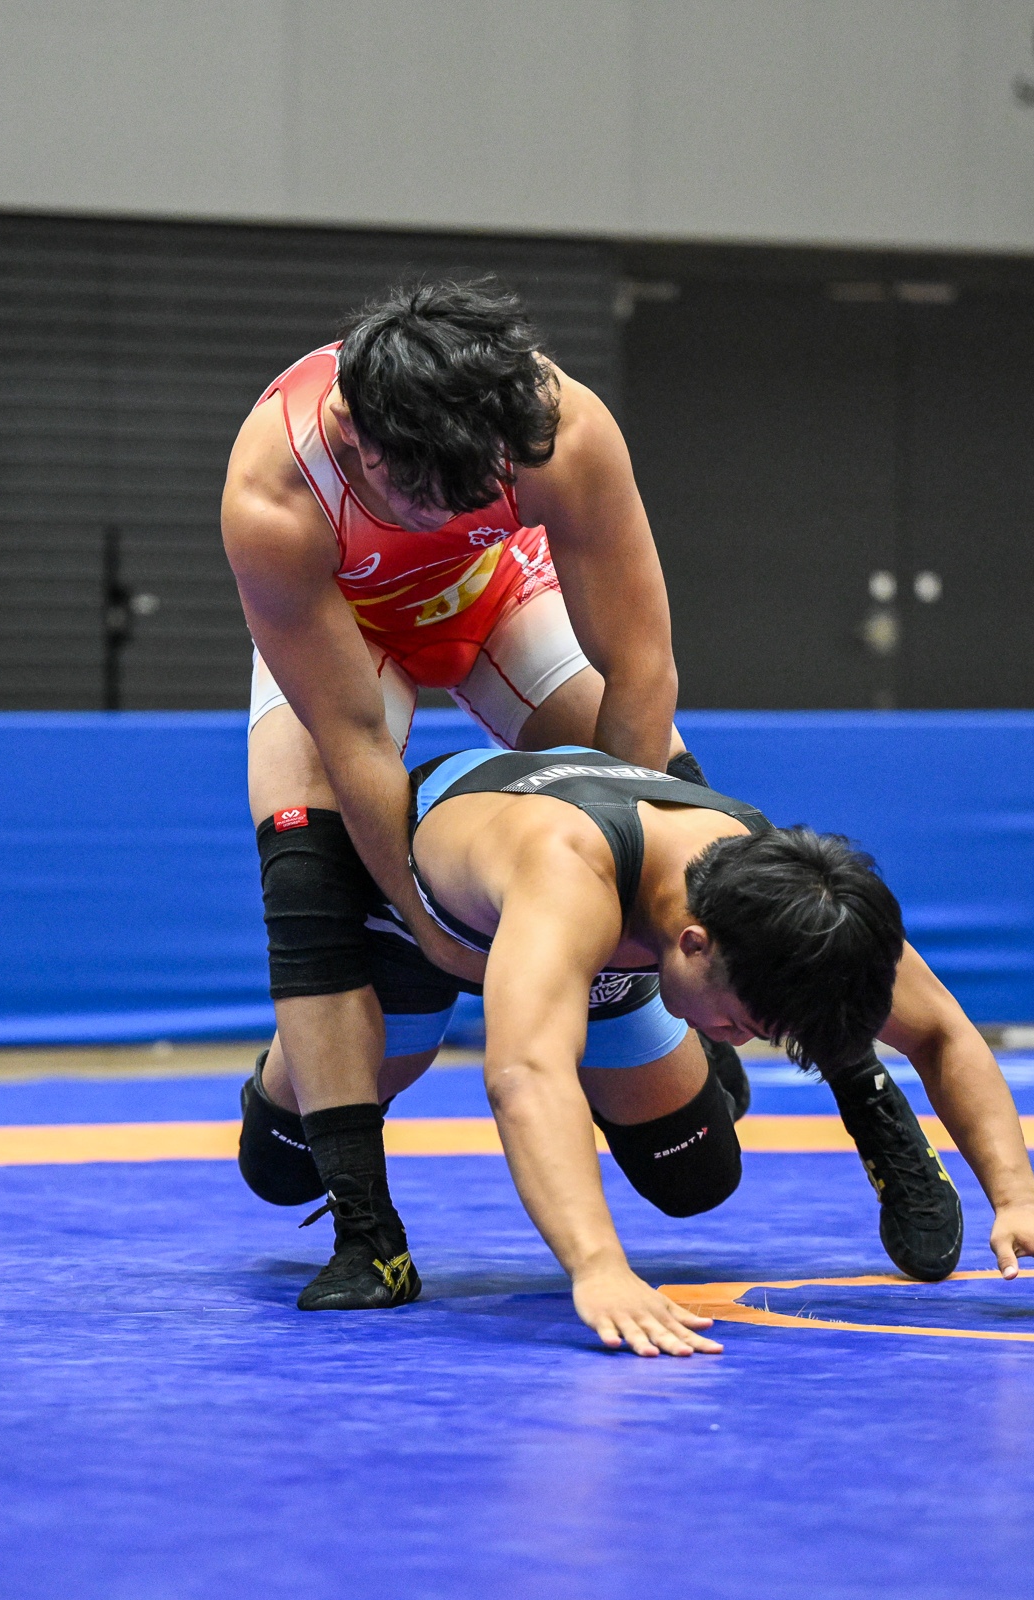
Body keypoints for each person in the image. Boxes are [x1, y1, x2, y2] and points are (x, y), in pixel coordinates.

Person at [240, 745, 1034, 1356]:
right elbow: (524, 1074)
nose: (743, 1033)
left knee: (696, 1180)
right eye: (740, 1024)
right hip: (420, 932)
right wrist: (598, 1267)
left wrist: (1020, 1198)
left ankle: (741, 1067)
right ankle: (290, 1082)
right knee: (280, 1167)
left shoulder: (784, 893)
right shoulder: (568, 872)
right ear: (695, 945)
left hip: (613, 958)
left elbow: (940, 1030)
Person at [220, 279, 729, 1305]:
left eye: (472, 491)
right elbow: (355, 736)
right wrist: (427, 923)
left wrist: (622, 889)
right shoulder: (276, 492)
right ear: (354, 434)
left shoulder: (558, 427)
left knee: (676, 796)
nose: (448, 512)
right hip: (348, 627)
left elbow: (642, 667)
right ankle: (367, 1229)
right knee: (305, 861)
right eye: (424, 496)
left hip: (490, 598)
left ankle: (842, 1087)